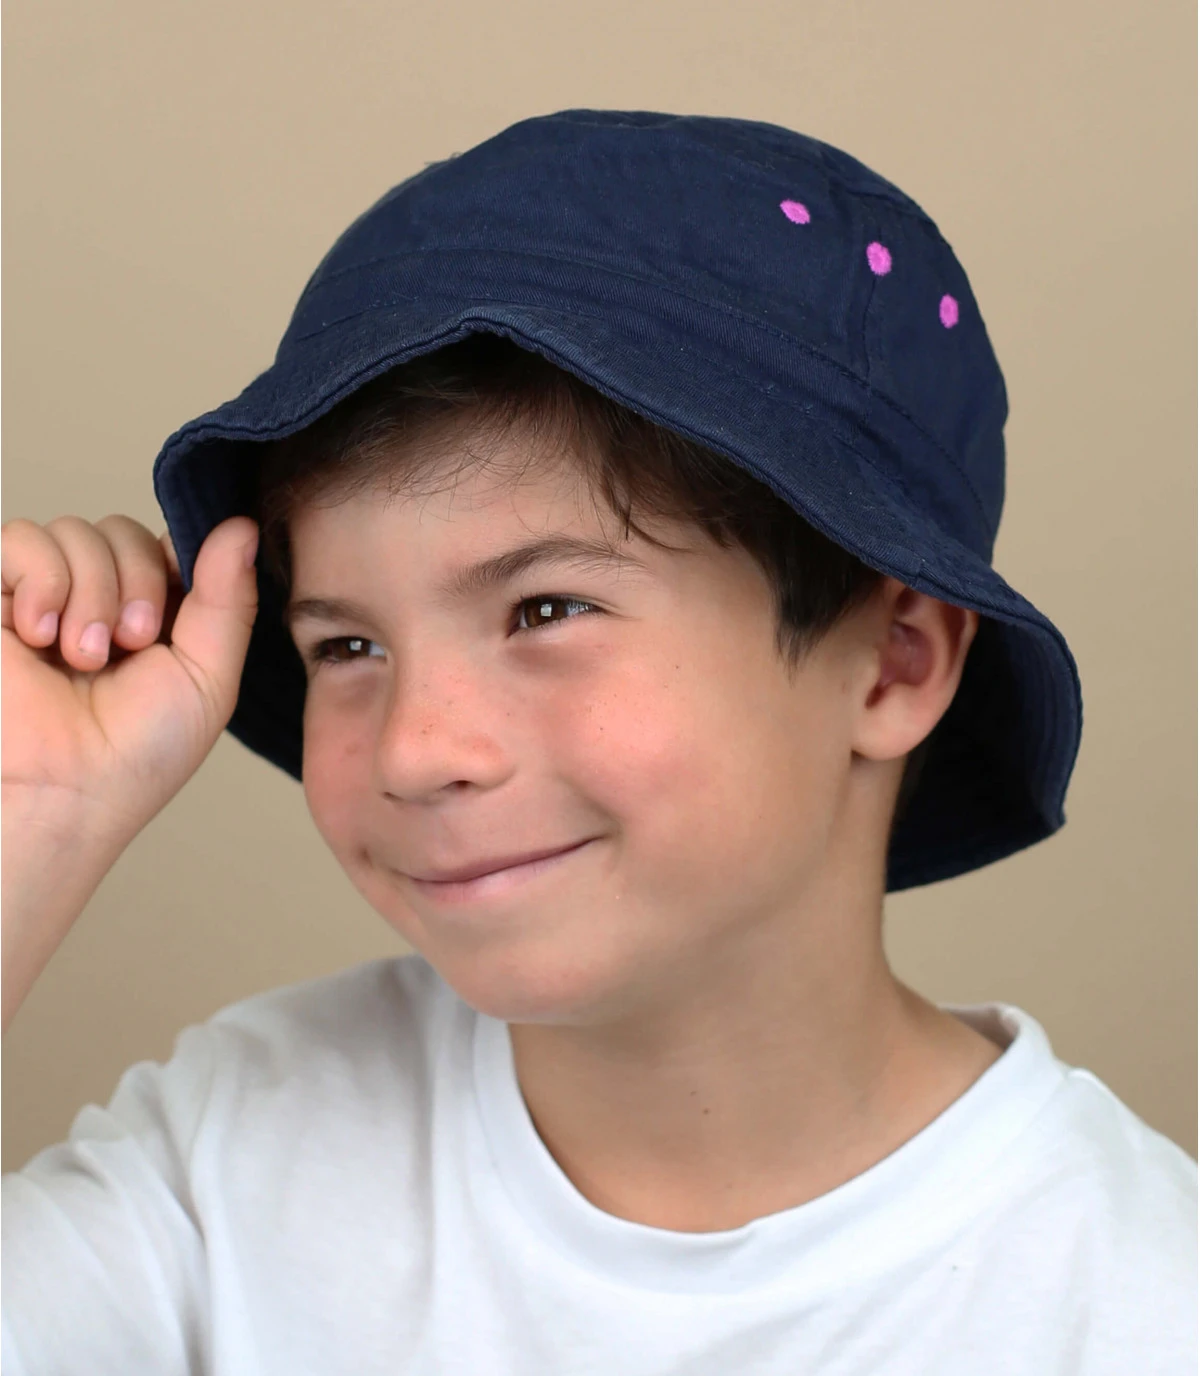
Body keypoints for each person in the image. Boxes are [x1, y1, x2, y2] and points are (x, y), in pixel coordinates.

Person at [1, 110, 1194, 1374]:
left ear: (894, 660)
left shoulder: (1137, 1302)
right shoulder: (235, 1150)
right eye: (345, 643)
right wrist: (31, 815)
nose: (415, 750)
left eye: (546, 610)